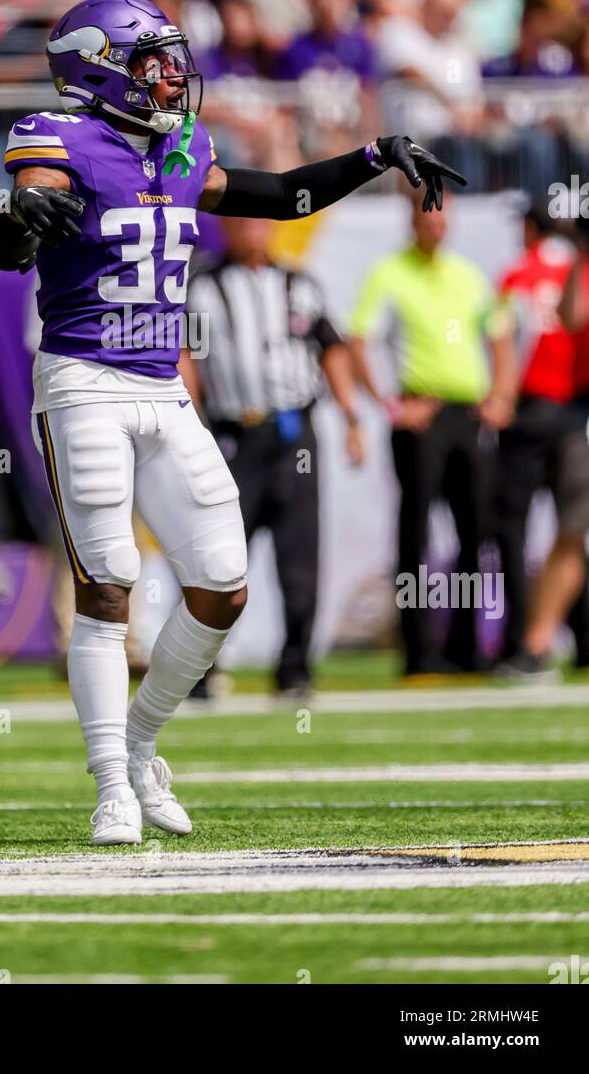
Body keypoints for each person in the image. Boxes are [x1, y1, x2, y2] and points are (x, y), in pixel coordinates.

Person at [0, 0, 464, 846]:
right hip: (84, 379)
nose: (167, 74)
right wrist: (16, 219)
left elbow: (277, 197)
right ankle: (108, 788)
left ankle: (138, 745)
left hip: (164, 388)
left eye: (169, 58)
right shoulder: (54, 137)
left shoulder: (181, 148)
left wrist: (371, 155)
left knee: (222, 586)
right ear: (95, 67)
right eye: (148, 60)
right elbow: (18, 226)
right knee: (108, 583)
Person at [180, 215, 365, 699]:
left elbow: (332, 349)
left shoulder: (299, 285)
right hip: (231, 435)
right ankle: (202, 668)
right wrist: (188, 426)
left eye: (259, 222)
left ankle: (295, 667)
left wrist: (351, 417)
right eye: (241, 222)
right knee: (219, 557)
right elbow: (186, 357)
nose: (252, 230)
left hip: (293, 435)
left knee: (300, 556)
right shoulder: (201, 287)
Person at [348, 190, 516, 678]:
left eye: (444, 218)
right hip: (422, 416)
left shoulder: (468, 276)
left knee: (474, 532)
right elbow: (360, 339)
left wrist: (501, 394)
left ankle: (467, 648)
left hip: (467, 416)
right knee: (415, 532)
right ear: (413, 222)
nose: (438, 226)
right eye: (430, 218)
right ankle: (419, 650)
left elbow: (500, 334)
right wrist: (389, 405)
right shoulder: (391, 273)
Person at [494, 200, 586, 670]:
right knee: (571, 528)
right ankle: (568, 637)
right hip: (572, 413)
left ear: (530, 228)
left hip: (533, 412)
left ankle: (524, 640)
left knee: (516, 528)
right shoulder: (576, 266)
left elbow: (503, 338)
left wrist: (500, 397)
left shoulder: (517, 275)